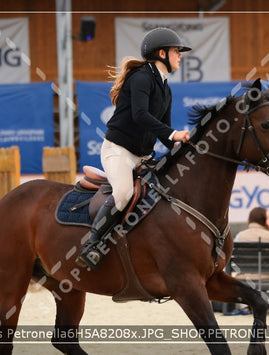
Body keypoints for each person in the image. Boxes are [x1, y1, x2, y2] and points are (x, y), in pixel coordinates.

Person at [76, 27, 192, 269]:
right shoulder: (141, 77)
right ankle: (91, 244)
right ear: (162, 53)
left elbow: (165, 132)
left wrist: (185, 147)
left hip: (142, 156)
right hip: (118, 151)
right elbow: (140, 115)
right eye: (176, 51)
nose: (180, 55)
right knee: (124, 194)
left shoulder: (165, 88)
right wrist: (173, 134)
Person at [235, 207, 269, 278]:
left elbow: (235, 258)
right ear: (262, 220)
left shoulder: (239, 236)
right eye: (268, 218)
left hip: (245, 276)